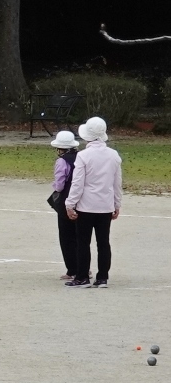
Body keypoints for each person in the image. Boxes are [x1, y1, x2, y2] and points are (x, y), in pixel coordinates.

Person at [66, 115, 123, 288]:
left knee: (83, 242)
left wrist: (70, 203)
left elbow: (78, 183)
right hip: (105, 205)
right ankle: (102, 277)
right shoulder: (114, 155)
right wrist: (117, 203)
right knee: (103, 242)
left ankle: (82, 276)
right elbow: (117, 182)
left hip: (86, 205)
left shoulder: (83, 156)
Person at [50, 130, 84, 281]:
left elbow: (59, 185)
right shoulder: (82, 158)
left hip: (66, 200)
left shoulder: (62, 162)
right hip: (83, 200)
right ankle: (84, 267)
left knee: (66, 236)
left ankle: (72, 269)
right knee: (80, 236)